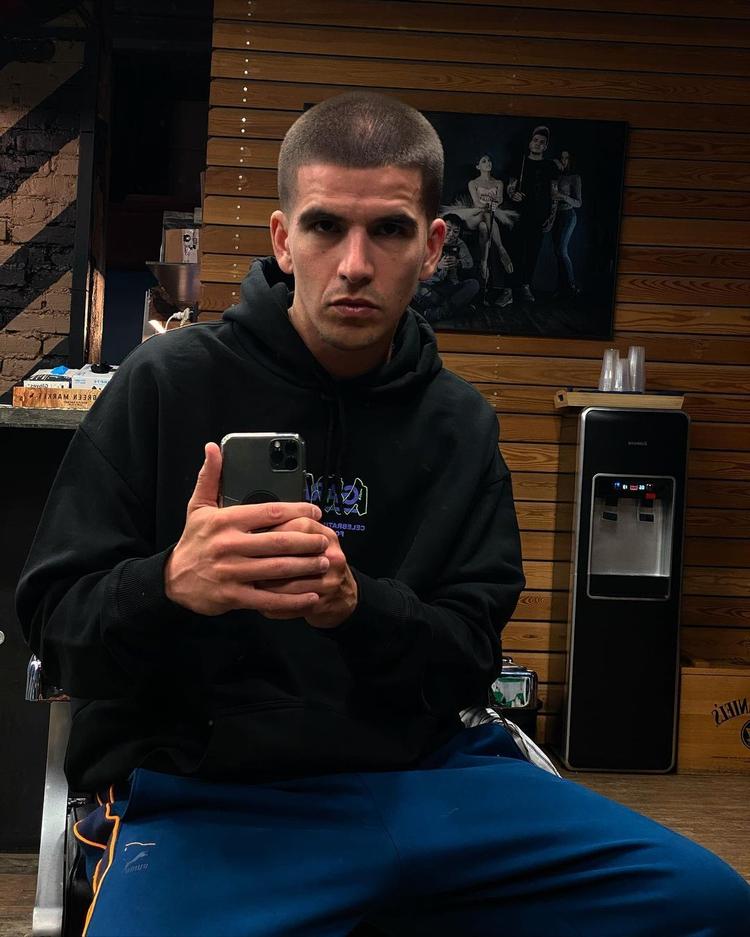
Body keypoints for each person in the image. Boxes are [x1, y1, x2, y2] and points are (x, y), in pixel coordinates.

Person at [16, 92, 750, 937]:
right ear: (283, 239)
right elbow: (56, 628)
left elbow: (470, 657)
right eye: (326, 227)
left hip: (428, 779)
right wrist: (170, 584)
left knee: (709, 905)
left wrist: (358, 607)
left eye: (390, 231)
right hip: (206, 794)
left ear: (433, 247)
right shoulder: (164, 385)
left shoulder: (460, 423)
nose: (355, 264)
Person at [507, 125, 559, 303]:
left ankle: (526, 286)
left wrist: (552, 217)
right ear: (530, 142)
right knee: (515, 250)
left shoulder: (551, 166)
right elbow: (510, 188)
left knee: (533, 252)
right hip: (519, 215)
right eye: (535, 140)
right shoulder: (519, 162)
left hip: (540, 216)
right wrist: (513, 194)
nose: (538, 144)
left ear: (546, 146)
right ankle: (511, 288)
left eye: (542, 142)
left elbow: (554, 193)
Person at [413, 213, 480, 322]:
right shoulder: (429, 241)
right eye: (448, 230)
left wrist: (458, 263)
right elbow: (417, 269)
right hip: (430, 286)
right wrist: (437, 267)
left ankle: (439, 312)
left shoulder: (459, 244)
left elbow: (470, 262)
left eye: (456, 232)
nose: (451, 234)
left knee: (474, 284)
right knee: (415, 288)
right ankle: (455, 309)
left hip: (450, 286)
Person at [551, 149, 582, 298]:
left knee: (562, 251)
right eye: (561, 158)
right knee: (557, 253)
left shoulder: (574, 177)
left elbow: (578, 203)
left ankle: (572, 285)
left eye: (566, 158)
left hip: (569, 215)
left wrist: (562, 196)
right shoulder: (555, 176)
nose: (563, 161)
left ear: (571, 160)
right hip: (555, 216)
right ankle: (561, 288)